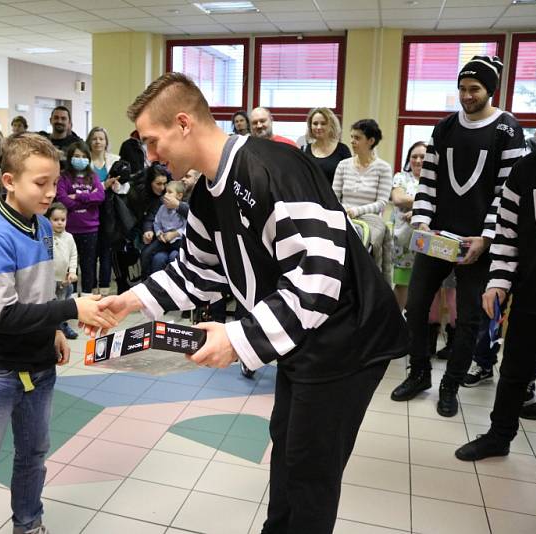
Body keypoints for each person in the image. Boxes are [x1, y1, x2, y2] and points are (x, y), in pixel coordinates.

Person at [87, 72, 407, 534]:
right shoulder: (205, 196)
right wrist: (131, 300)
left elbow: (319, 276)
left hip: (346, 340)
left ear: (183, 124)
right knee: (287, 446)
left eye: (152, 142)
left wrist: (238, 338)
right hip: (301, 336)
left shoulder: (273, 167)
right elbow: (197, 272)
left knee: (310, 467)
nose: (149, 156)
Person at [0, 134, 114, 534]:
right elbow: (4, 314)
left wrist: (53, 331)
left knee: (34, 455)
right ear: (10, 181)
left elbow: (39, 292)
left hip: (39, 364)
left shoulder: (44, 227)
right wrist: (69, 310)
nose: (51, 192)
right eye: (40, 183)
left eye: (54, 182)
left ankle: (28, 523)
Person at [390, 56, 526, 418]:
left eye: (474, 89)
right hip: (437, 237)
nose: (466, 96)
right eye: (462, 89)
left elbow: (508, 190)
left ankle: (449, 385)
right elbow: (429, 181)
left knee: (468, 319)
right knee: (416, 306)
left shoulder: (508, 130)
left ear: (490, 90)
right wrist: (421, 223)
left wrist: (486, 237)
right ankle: (418, 373)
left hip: (479, 246)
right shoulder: (445, 128)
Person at [454, 82, 536, 465]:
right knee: (514, 373)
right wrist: (498, 283)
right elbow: (508, 235)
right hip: (531, 295)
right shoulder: (526, 170)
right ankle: (499, 435)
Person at [333, 119, 394, 279]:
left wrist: (355, 211)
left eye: (357, 138)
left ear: (371, 141)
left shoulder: (384, 168)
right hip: (344, 216)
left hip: (370, 220)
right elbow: (334, 196)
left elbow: (381, 203)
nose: (352, 141)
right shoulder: (343, 165)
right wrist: (343, 211)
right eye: (352, 137)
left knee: (365, 241)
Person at [56, 141, 105, 294]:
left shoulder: (93, 176)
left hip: (90, 229)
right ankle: (69, 297)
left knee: (88, 265)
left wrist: (78, 196)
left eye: (83, 156)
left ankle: (86, 297)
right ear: (70, 158)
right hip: (69, 229)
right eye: (76, 156)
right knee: (69, 266)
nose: (80, 159)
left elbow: (100, 196)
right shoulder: (64, 177)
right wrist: (87, 201)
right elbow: (63, 199)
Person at [391, 141, 427, 310]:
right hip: (404, 243)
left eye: (422, 157)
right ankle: (396, 325)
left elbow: (443, 204)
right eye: (414, 156)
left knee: (423, 288)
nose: (418, 160)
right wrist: (426, 204)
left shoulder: (436, 181)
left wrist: (416, 211)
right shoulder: (401, 177)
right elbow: (398, 199)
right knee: (402, 285)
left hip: (427, 244)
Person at [87, 127, 121, 294]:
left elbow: (125, 188)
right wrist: (103, 186)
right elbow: (83, 189)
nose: (98, 142)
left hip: (109, 212)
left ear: (106, 142)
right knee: (91, 251)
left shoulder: (115, 160)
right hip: (89, 211)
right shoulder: (84, 161)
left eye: (101, 139)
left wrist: (116, 186)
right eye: (94, 138)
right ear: (89, 142)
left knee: (106, 250)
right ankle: (92, 288)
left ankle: (105, 289)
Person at [141, 180, 187, 275]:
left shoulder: (183, 208)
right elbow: (156, 223)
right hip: (163, 240)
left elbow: (187, 227)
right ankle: (147, 279)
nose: (166, 194)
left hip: (178, 241)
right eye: (166, 192)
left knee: (176, 256)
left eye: (170, 192)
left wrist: (175, 234)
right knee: (146, 253)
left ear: (179, 196)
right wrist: (159, 233)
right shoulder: (162, 208)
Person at [47, 203, 79, 339]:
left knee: (61, 304)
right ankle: (52, 328)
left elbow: (73, 255)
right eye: (55, 220)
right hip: (48, 279)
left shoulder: (69, 237)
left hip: (63, 279)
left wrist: (72, 271)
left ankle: (62, 326)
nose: (60, 223)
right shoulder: (46, 237)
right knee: (51, 305)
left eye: (63, 220)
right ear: (48, 220)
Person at [302, 107, 351, 186]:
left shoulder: (342, 150)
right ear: (310, 126)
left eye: (323, 123)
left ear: (331, 125)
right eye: (315, 123)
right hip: (310, 198)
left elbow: (349, 180)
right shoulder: (304, 150)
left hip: (334, 197)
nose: (319, 127)